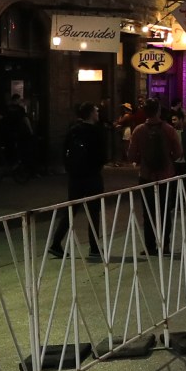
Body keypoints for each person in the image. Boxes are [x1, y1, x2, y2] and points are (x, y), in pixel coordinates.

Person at [46, 103, 109, 261]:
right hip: (92, 176)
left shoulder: (73, 130)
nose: (98, 113)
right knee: (93, 212)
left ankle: (56, 243)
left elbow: (64, 151)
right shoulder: (96, 132)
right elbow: (102, 155)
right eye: (96, 111)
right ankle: (94, 247)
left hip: (75, 177)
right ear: (90, 114)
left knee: (71, 210)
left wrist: (71, 169)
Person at [128, 103, 185, 255]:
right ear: (159, 111)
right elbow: (179, 153)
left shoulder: (138, 130)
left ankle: (150, 246)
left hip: (146, 176)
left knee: (148, 212)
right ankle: (165, 244)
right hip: (166, 175)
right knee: (165, 211)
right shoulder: (169, 129)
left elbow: (131, 155)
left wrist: (142, 159)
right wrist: (168, 159)